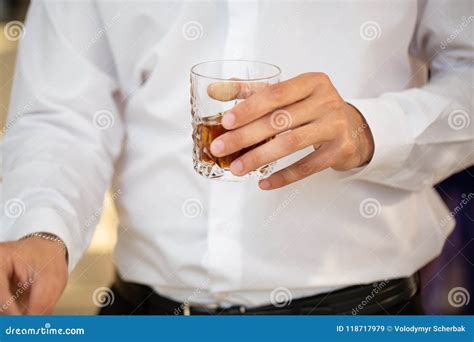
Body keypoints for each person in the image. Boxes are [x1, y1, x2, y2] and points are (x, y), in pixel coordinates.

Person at [0, 0, 472, 315]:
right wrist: (42, 229)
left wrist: (369, 130)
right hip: (146, 310)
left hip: (362, 311)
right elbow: (64, 114)